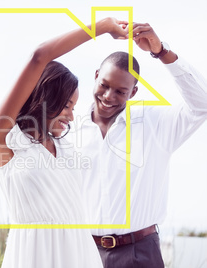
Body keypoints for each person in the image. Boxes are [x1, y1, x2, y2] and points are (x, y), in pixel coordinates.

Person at [0, 17, 128, 268]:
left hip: (79, 253)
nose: (71, 115)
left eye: (73, 107)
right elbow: (40, 56)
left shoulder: (65, 147)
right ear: (44, 98)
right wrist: (103, 26)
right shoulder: (6, 140)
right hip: (32, 256)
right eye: (65, 106)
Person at [71, 22, 207, 267]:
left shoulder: (155, 124)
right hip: (83, 253)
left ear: (133, 92)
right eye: (104, 85)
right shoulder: (69, 131)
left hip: (139, 254)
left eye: (121, 91)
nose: (108, 96)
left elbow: (202, 104)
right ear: (95, 77)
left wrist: (161, 52)